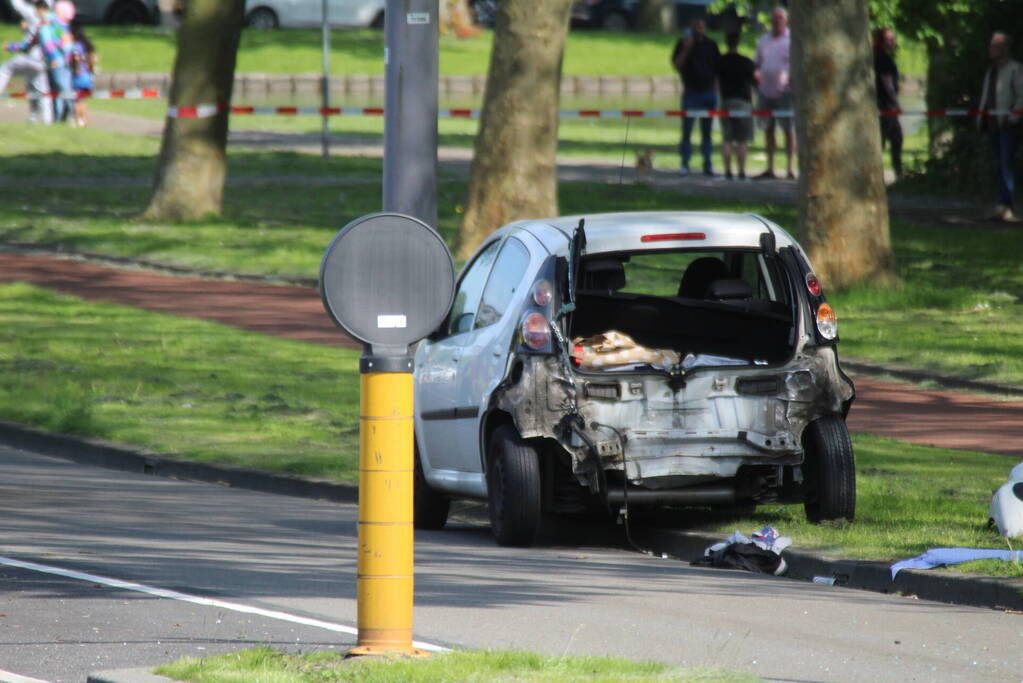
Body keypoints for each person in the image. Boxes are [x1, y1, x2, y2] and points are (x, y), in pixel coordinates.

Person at [978, 31, 1023, 222]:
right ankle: (1001, 203)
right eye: (991, 46)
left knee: (1006, 164)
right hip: (992, 125)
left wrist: (1013, 116)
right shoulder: (991, 70)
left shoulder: (1015, 69)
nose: (991, 50)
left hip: (1007, 126)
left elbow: (1022, 94)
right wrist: (980, 118)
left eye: (995, 46)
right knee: (998, 165)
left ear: (1004, 48)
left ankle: (1008, 205)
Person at [672, 17, 720, 177]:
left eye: (701, 26)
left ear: (705, 28)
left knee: (707, 133)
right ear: (691, 28)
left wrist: (716, 92)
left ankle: (708, 164)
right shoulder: (683, 43)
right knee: (687, 131)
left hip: (708, 94)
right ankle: (685, 164)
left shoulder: (711, 45)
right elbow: (677, 65)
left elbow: (717, 71)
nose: (699, 29)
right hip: (691, 94)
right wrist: (686, 48)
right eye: (696, 26)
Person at [754, 6, 795, 179]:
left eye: (780, 18)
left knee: (788, 129)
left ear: (786, 20)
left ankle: (790, 168)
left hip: (786, 92)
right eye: (775, 18)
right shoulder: (763, 40)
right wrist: (757, 76)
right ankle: (770, 167)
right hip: (765, 91)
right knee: (768, 129)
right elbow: (757, 63)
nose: (777, 20)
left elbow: (797, 65)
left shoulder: (792, 39)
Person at [0, 0, 52, 124]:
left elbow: (17, 4)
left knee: (5, 70)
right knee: (41, 90)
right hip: (42, 61)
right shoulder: (53, 20)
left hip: (30, 57)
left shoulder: (32, 13)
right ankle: (45, 120)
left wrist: (11, 47)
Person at [717, 30, 757, 180]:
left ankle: (727, 171)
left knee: (727, 139)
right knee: (742, 140)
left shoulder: (721, 61)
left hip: (726, 101)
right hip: (743, 102)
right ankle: (741, 171)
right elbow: (755, 81)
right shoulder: (746, 62)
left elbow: (716, 81)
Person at [873, 27, 903, 179]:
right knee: (894, 139)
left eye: (892, 39)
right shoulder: (884, 59)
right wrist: (896, 103)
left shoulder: (878, 57)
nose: (891, 42)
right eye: (887, 40)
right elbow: (887, 83)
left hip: (884, 106)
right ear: (881, 41)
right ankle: (897, 172)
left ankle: (892, 171)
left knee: (885, 140)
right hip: (886, 107)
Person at [68, 21, 94, 127]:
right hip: (87, 76)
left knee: (77, 100)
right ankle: (85, 120)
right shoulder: (86, 46)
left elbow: (76, 58)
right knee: (83, 100)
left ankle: (79, 120)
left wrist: (75, 68)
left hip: (79, 76)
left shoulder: (76, 46)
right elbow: (93, 58)